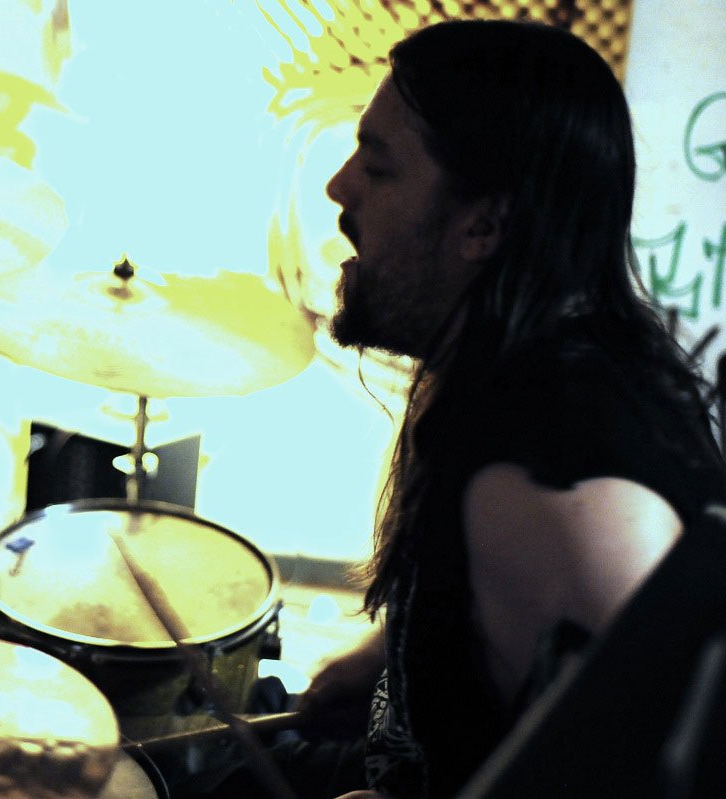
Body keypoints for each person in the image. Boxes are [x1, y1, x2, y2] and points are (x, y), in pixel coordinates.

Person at [190, 18, 726, 799]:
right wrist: (387, 660)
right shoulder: (508, 361)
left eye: (379, 167)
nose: (340, 188)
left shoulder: (551, 487)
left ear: (482, 225)